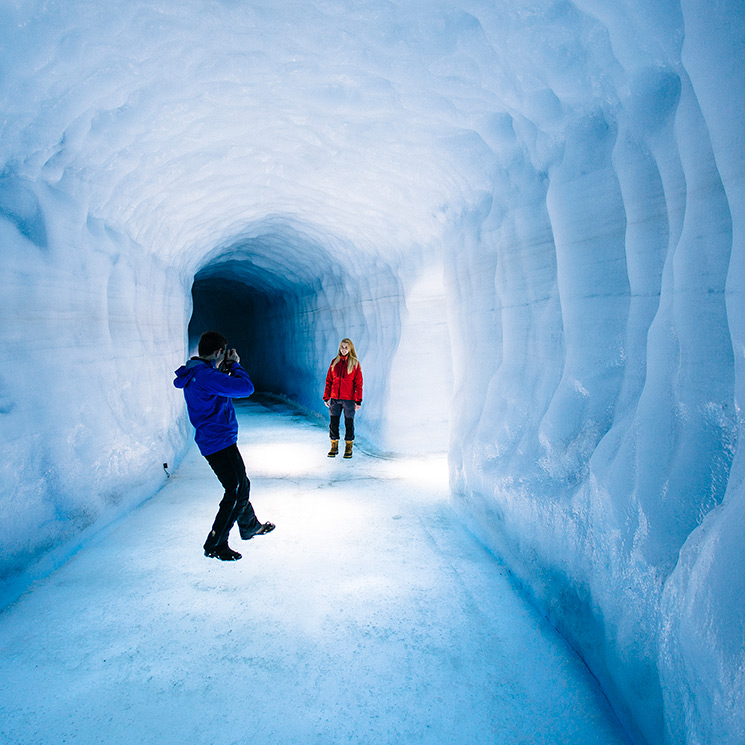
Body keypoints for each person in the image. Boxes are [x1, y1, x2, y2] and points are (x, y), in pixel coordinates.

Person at [173, 331, 274, 561]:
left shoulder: (199, 373)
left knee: (241, 484)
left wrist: (222, 369)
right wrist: (236, 366)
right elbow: (246, 388)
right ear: (219, 352)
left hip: (217, 439)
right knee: (236, 490)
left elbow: (216, 388)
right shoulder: (206, 376)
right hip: (219, 441)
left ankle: (249, 525)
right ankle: (216, 543)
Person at [323, 338, 363, 458]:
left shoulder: (355, 363)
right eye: (342, 347)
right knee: (333, 423)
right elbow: (329, 381)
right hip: (335, 399)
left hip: (349, 400)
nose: (343, 349)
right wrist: (326, 397)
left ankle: (348, 448)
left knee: (349, 424)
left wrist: (358, 400)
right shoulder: (334, 362)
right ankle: (334, 447)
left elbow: (358, 384)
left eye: (346, 347)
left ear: (350, 349)